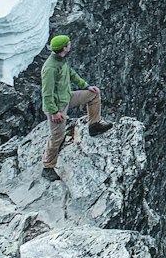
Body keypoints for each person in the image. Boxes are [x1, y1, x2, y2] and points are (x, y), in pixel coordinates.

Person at [40, 34, 113, 180]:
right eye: (68, 44)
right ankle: (47, 167)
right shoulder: (50, 68)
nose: (70, 45)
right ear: (64, 48)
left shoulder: (60, 61)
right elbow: (47, 93)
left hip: (66, 97)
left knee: (93, 95)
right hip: (57, 106)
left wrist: (86, 86)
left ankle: (94, 124)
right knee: (57, 137)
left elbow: (72, 75)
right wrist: (54, 112)